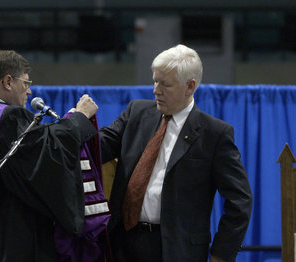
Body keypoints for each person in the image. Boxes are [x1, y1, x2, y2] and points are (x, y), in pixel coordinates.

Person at [99, 44, 252, 262]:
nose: (155, 90)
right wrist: (75, 126)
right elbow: (99, 147)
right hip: (122, 243)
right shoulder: (137, 113)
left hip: (176, 251)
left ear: (190, 86)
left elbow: (240, 201)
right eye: (155, 81)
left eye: (165, 84)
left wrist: (221, 255)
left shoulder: (214, 134)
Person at [0, 50, 99, 262]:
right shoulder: (7, 117)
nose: (29, 91)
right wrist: (79, 118)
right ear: (8, 81)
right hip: (13, 239)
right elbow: (49, 154)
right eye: (25, 83)